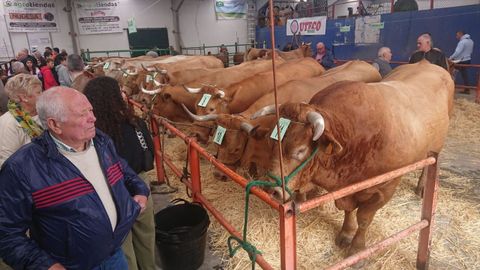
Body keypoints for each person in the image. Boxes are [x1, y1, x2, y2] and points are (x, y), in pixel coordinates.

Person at [0, 86, 150, 269]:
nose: (93, 118)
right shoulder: (21, 168)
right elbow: (6, 233)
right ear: (55, 124)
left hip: (114, 255)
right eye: (81, 114)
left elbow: (123, 170)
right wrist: (44, 265)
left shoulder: (101, 142)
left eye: (91, 110)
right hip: (71, 265)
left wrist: (140, 189)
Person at [84, 77, 156, 270]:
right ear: (116, 96)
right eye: (120, 90)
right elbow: (149, 154)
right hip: (141, 186)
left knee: (122, 242)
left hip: (110, 189)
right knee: (146, 235)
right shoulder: (136, 123)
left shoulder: (93, 132)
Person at [0, 74, 43, 167]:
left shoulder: (43, 113)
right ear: (24, 98)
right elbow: (7, 161)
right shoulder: (8, 123)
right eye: (39, 92)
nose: (42, 95)